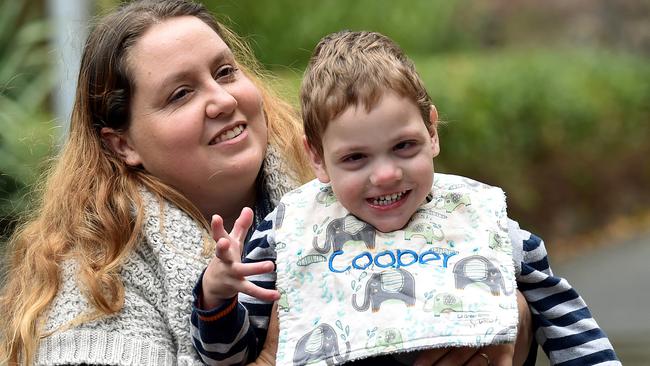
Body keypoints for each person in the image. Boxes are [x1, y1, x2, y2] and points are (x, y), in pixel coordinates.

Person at [194, 31, 621, 366]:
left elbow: (567, 322)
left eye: (404, 147)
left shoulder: (483, 224)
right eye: (355, 157)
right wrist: (217, 299)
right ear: (317, 158)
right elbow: (229, 357)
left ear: (431, 131)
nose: (385, 174)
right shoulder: (284, 237)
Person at [0, 0, 313, 364]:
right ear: (124, 144)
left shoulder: (344, 190)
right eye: (180, 94)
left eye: (225, 72)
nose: (223, 100)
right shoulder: (95, 285)